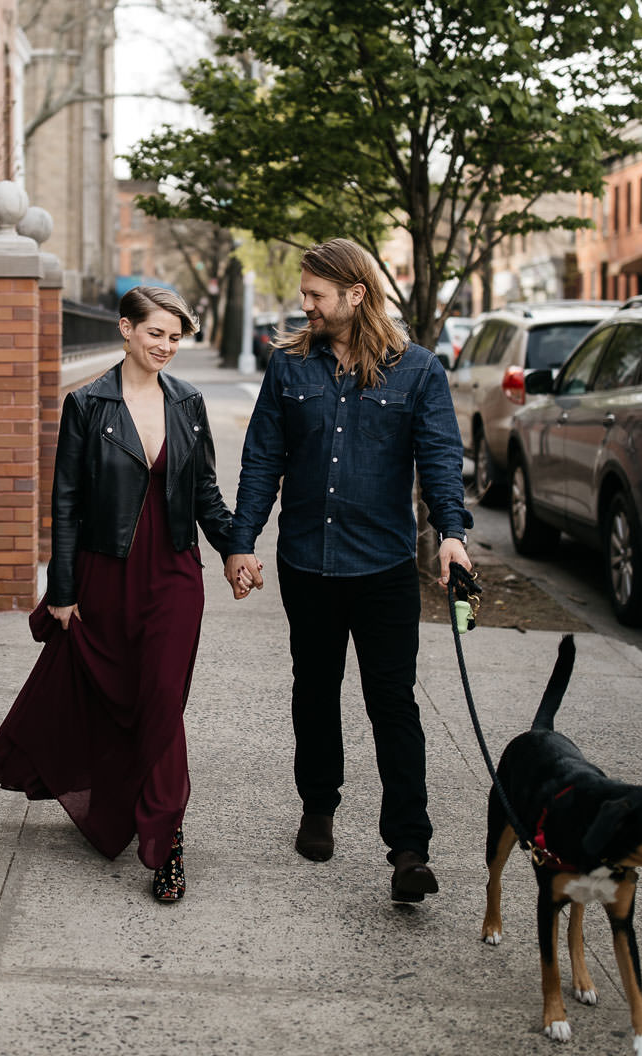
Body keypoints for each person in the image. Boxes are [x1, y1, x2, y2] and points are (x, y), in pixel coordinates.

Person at [0, 286, 244, 903]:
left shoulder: (189, 403)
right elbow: (66, 503)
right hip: (106, 573)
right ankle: (121, 802)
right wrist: (60, 589)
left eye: (175, 337)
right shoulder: (87, 404)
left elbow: (205, 494)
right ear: (126, 329)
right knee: (116, 698)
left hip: (173, 572)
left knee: (164, 700)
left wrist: (234, 550)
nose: (166, 347)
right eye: (156, 334)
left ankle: (166, 840)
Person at [225, 239, 474, 904]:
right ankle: (318, 805)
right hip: (307, 561)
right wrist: (241, 541)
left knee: (393, 704)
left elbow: (441, 458)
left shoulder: (417, 372)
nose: (305, 306)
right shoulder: (288, 369)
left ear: (355, 294)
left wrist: (452, 535)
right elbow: (260, 459)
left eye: (316, 296)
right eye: (304, 294)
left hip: (385, 567)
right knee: (315, 689)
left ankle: (409, 848)